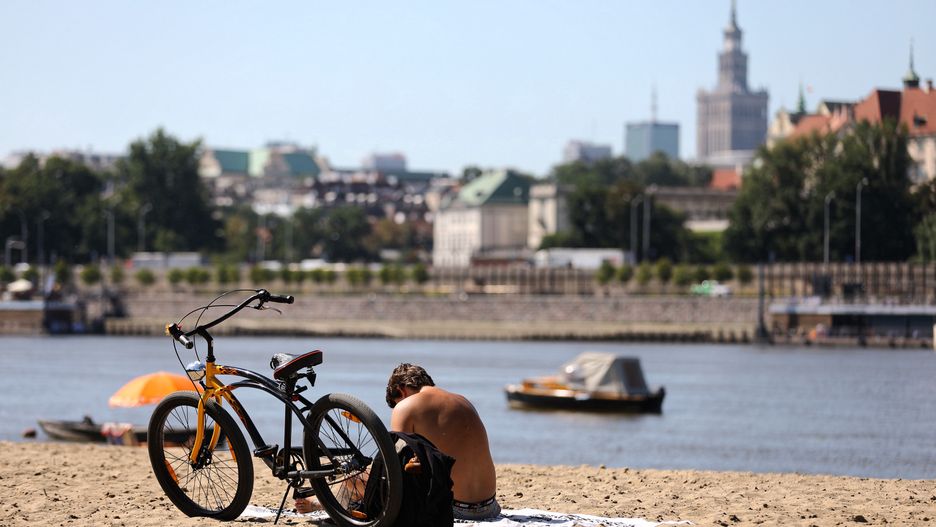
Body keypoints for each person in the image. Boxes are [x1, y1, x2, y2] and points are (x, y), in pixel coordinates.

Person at [296, 363, 500, 521]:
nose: (398, 408)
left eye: (395, 404)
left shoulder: (407, 406)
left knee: (354, 477)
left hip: (451, 506)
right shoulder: (462, 400)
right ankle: (325, 501)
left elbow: (392, 469)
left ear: (401, 390)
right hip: (489, 505)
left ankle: (323, 503)